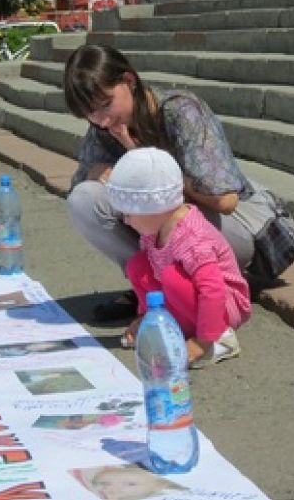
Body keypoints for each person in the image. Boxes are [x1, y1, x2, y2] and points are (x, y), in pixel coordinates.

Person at [63, 44, 294, 322]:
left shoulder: (181, 110)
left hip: (244, 226)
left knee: (153, 200)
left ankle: (193, 289)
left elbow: (225, 200)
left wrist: (147, 165)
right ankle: (153, 286)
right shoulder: (104, 128)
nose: (101, 119)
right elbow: (80, 192)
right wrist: (95, 174)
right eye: (90, 113)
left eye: (106, 104)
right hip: (190, 223)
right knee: (86, 198)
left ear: (129, 81)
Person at [106, 148, 250, 365]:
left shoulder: (193, 239)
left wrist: (201, 342)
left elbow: (212, 290)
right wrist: (147, 314)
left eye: (129, 213)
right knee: (138, 265)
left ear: (154, 207)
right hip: (190, 297)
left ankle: (219, 339)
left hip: (224, 305)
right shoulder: (155, 230)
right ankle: (155, 321)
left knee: (173, 277)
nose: (126, 221)